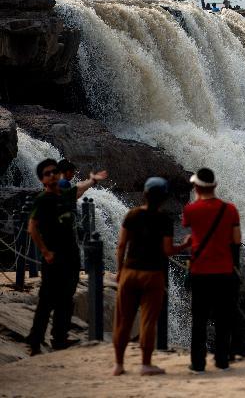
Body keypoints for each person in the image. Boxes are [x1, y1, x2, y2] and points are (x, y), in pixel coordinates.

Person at [27, 159, 108, 356]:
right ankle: (35, 340)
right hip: (53, 258)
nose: (52, 175)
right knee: (46, 300)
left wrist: (93, 181)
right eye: (47, 173)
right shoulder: (42, 200)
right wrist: (45, 251)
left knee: (66, 298)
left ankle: (59, 338)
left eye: (54, 172)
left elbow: (80, 189)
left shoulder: (65, 194)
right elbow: (32, 228)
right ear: (42, 179)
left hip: (71, 256)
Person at [113, 178, 190, 376]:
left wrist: (120, 269)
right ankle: (145, 364)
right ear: (164, 198)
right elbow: (167, 250)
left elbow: (121, 245)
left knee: (123, 320)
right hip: (153, 274)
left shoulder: (132, 214)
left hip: (130, 272)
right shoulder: (164, 220)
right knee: (148, 320)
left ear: (145, 195)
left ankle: (119, 364)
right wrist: (184, 245)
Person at [182, 168, 241, 373]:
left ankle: (198, 363)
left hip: (200, 271)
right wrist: (236, 268)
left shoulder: (190, 210)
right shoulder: (230, 209)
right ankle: (222, 361)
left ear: (196, 187)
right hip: (224, 271)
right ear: (215, 186)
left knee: (199, 318)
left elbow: (191, 233)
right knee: (224, 318)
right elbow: (236, 240)